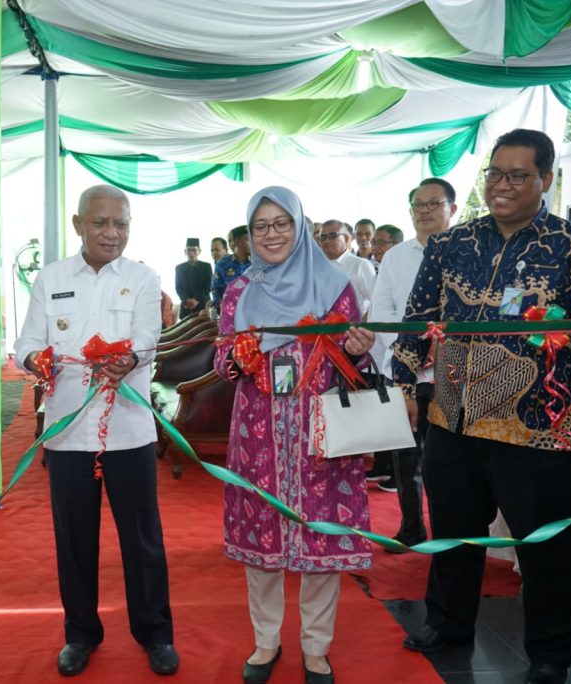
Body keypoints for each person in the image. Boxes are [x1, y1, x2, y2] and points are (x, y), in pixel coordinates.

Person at [393, 129, 571, 684]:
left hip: (538, 426)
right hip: (452, 414)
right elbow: (417, 315)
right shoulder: (451, 245)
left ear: (546, 179)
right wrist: (403, 383)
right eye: (495, 174)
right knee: (453, 529)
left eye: (518, 175)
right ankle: (447, 623)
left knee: (547, 540)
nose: (503, 186)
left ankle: (552, 650)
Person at [15, 184, 179, 678]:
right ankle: (81, 634)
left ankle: (155, 633)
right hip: (68, 436)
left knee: (143, 540)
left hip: (129, 432)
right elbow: (27, 339)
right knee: (75, 541)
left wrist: (130, 357)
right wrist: (33, 359)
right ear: (78, 224)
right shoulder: (52, 277)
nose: (112, 233)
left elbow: (150, 336)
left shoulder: (144, 277)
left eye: (121, 224)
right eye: (101, 222)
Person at [214, 186, 374, 684]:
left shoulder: (334, 288)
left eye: (281, 223)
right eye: (260, 226)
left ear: (299, 225)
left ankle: (316, 648)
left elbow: (355, 360)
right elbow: (222, 363)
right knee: (261, 540)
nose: (271, 234)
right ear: (249, 234)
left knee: (320, 543)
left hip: (319, 433)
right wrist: (239, 356)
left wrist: (359, 347)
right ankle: (265, 642)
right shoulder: (239, 291)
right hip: (257, 434)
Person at [370, 178, 458, 551]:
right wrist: (409, 349)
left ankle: (451, 530)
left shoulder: (468, 252)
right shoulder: (396, 256)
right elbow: (382, 309)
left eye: (433, 204)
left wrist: (439, 349)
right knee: (404, 456)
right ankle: (410, 528)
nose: (424, 212)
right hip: (402, 371)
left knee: (447, 459)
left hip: (453, 371)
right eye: (417, 205)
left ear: (451, 208)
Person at [318, 220, 376, 316]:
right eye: (322, 237)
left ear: (346, 238)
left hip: (353, 327)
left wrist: (364, 323)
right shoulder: (316, 267)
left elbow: (377, 299)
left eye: (333, 236)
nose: (327, 241)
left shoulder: (360, 265)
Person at [210, 225, 252, 310]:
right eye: (248, 239)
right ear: (237, 242)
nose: (253, 243)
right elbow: (215, 289)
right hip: (230, 314)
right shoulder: (222, 264)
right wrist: (220, 302)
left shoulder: (257, 264)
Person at [175, 237, 212, 319]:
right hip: (186, 308)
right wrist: (186, 300)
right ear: (185, 252)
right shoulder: (179, 268)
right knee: (185, 331)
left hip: (203, 306)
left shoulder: (206, 267)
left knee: (205, 330)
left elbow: (208, 287)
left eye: (194, 250)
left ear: (199, 251)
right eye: (189, 250)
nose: (191, 253)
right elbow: (178, 287)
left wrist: (195, 300)